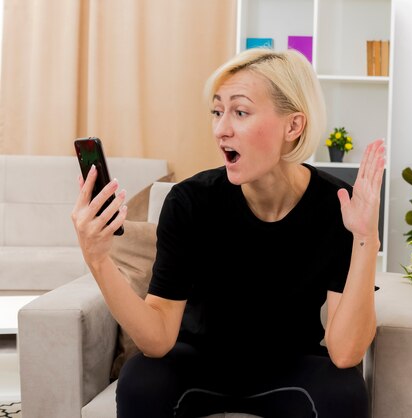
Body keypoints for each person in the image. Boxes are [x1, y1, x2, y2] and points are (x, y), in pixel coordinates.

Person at [71, 47, 385, 418]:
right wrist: (98, 257)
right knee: (141, 376)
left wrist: (366, 239)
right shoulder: (190, 202)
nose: (221, 129)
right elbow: (157, 340)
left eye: (240, 111)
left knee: (345, 390)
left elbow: (346, 351)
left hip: (292, 364)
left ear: (293, 126)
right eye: (217, 112)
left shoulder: (338, 208)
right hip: (199, 361)